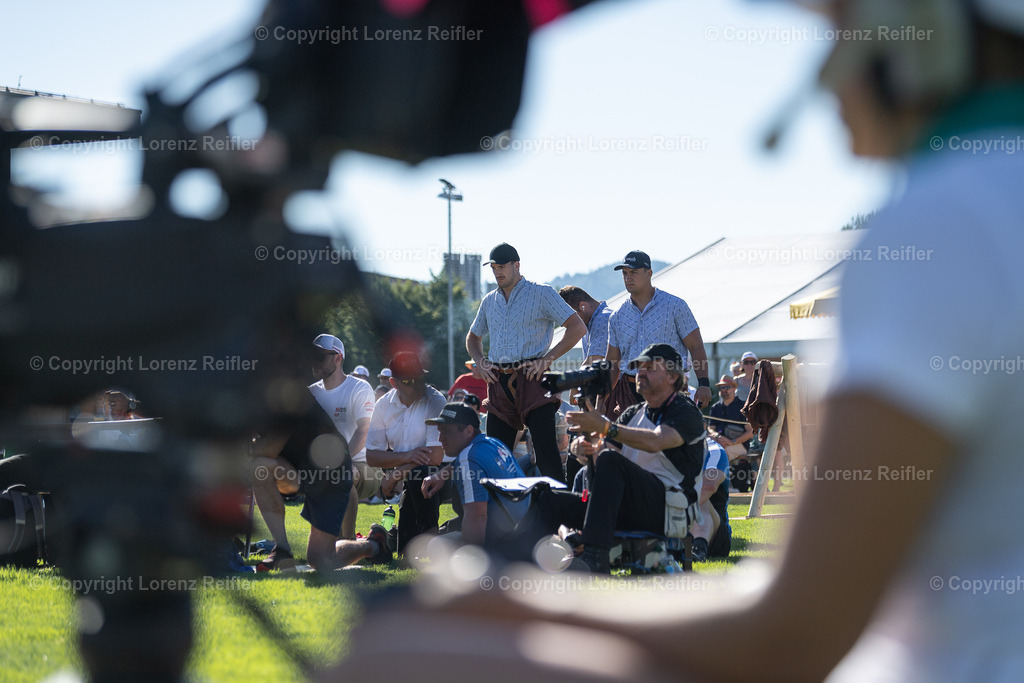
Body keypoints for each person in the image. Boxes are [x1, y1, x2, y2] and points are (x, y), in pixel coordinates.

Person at [330, 3, 1024, 681]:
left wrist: (511, 604)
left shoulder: (945, 219)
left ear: (928, 38)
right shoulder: (985, 200)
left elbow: (791, 635)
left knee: (393, 654)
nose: (824, 73)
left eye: (840, 29)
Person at [556, 343, 706, 573]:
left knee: (608, 459)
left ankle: (594, 557)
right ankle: (527, 560)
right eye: (638, 367)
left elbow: (656, 440)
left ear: (673, 376)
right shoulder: (632, 413)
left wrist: (605, 427)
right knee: (546, 496)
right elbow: (602, 459)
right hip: (630, 504)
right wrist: (582, 449)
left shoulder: (686, 411)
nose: (640, 372)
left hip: (666, 508)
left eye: (650, 367)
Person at [466, 242, 586, 484]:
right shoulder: (490, 300)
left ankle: (558, 516)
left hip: (533, 378)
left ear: (516, 265)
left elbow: (577, 327)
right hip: (499, 381)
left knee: (546, 455)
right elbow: (473, 337)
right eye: (494, 268)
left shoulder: (541, 292)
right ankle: (499, 519)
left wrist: (547, 360)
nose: (498, 272)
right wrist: (481, 362)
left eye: (502, 267)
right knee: (495, 457)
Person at [249, 397, 351, 572]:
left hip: (330, 474)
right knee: (260, 467)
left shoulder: (288, 394)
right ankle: (282, 550)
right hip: (296, 471)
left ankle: (374, 545)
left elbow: (269, 448)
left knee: (321, 561)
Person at [605, 250, 712, 416]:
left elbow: (695, 345)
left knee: (668, 439)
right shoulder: (617, 316)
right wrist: (601, 399)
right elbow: (612, 363)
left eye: (633, 272)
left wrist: (704, 383)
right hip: (629, 391)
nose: (628, 278)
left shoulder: (675, 306)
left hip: (669, 387)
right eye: (625, 273)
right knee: (630, 440)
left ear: (649, 273)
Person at [365, 352, 447, 552]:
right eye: (409, 381)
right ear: (394, 383)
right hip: (411, 478)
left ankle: (431, 539)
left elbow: (435, 457)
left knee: (421, 474)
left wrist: (393, 475)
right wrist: (407, 457)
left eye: (420, 379)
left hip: (447, 473)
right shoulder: (383, 405)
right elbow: (371, 456)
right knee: (405, 551)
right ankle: (423, 541)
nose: (417, 386)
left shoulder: (435, 400)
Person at [421, 402, 526, 548]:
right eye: (440, 431)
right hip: (527, 532)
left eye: (446, 431)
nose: (440, 439)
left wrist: (476, 562)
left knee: (435, 545)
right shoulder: (492, 443)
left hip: (507, 544)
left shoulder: (468, 459)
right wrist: (443, 473)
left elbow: (477, 516)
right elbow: (472, 459)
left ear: (468, 431)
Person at [307, 334, 376, 540]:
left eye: (320, 356)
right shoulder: (310, 392)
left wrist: (339, 461)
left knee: (341, 472)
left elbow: (364, 430)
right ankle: (281, 548)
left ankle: (348, 541)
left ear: (338, 358)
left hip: (364, 466)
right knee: (263, 467)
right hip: (321, 467)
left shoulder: (359, 387)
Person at [707, 374, 755, 492]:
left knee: (722, 453)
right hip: (719, 442)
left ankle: (726, 486)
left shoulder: (743, 406)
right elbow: (710, 428)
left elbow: (750, 432)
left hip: (739, 445)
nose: (724, 390)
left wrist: (732, 441)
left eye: (727, 387)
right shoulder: (715, 407)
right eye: (721, 388)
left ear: (734, 388)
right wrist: (717, 436)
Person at [689, 438, 731, 562]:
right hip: (672, 524)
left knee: (696, 493)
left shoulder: (713, 450)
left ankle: (699, 547)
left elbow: (708, 486)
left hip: (716, 537)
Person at [557, 285, 612, 366]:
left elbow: (592, 363)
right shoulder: (589, 323)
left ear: (583, 306)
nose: (569, 324)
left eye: (571, 318)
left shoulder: (604, 318)